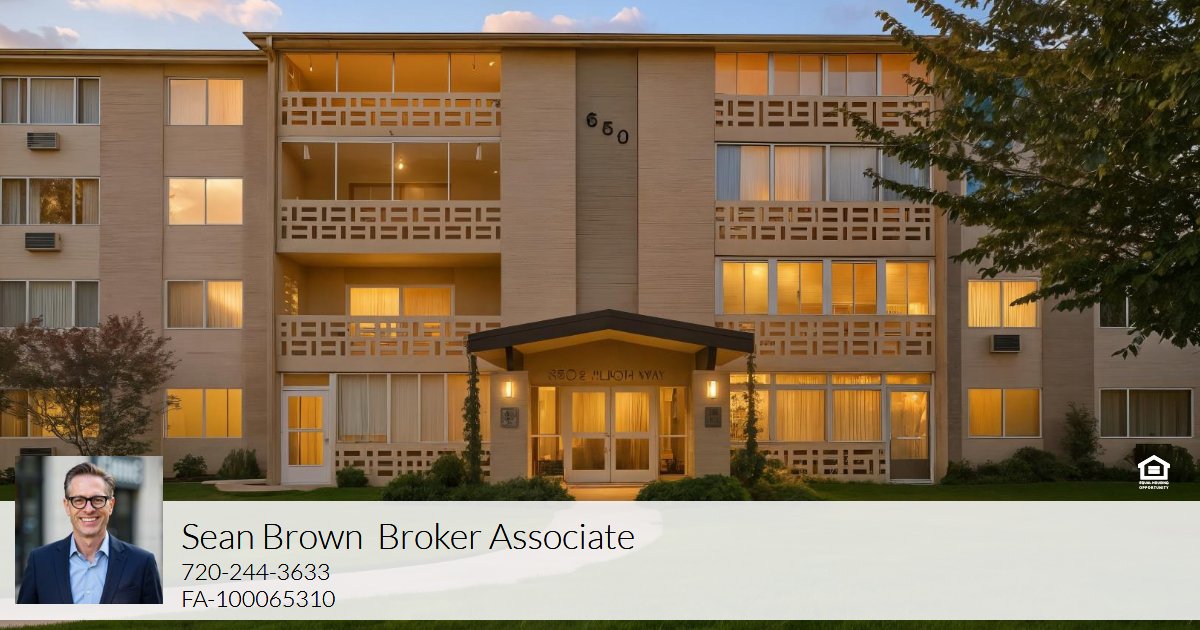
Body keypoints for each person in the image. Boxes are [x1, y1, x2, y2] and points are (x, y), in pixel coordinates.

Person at [17, 462, 162, 604]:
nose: (88, 509)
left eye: (97, 500)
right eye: (79, 500)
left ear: (111, 505)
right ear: (67, 506)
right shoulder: (40, 562)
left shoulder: (142, 563)